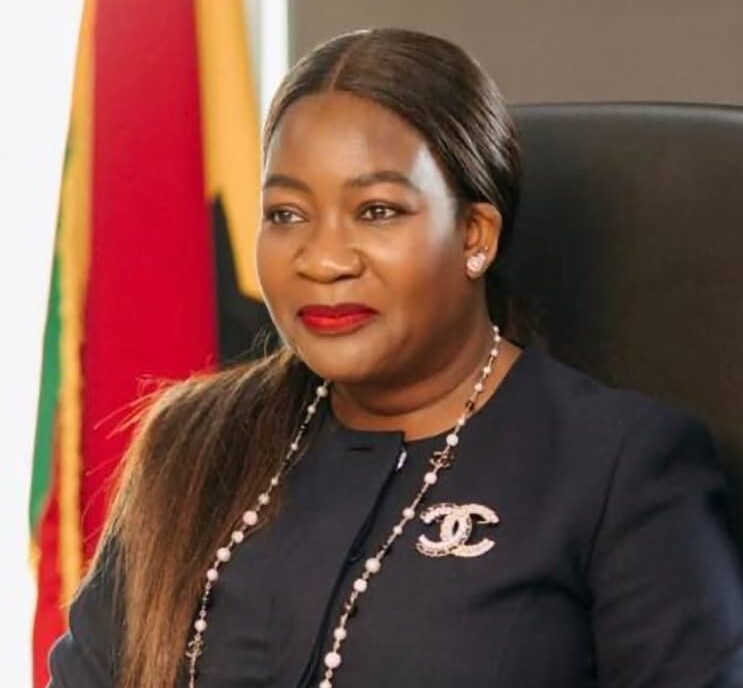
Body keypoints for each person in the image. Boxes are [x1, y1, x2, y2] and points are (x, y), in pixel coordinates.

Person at [48, 27, 743, 688]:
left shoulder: (620, 468)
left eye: (377, 211)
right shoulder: (195, 445)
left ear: (474, 235)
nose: (322, 260)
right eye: (286, 214)